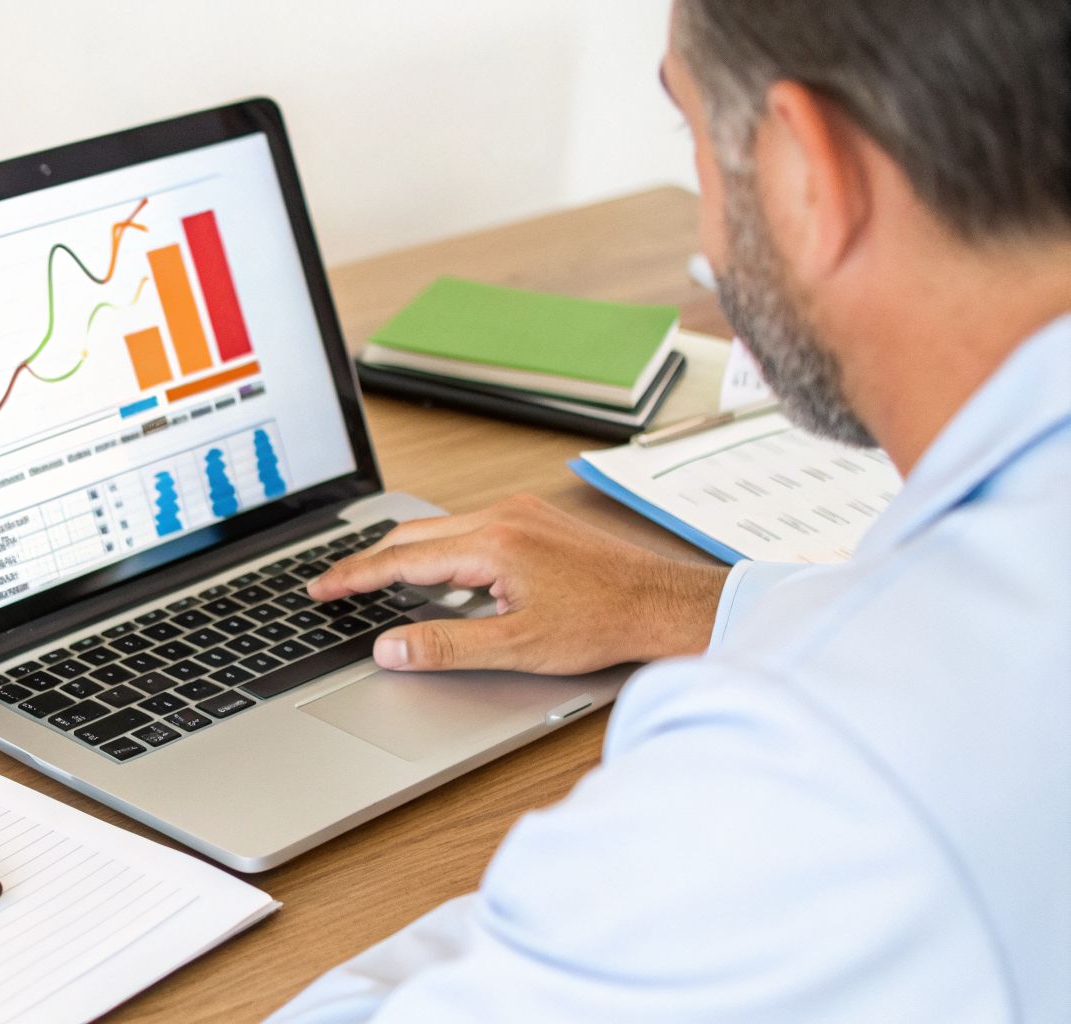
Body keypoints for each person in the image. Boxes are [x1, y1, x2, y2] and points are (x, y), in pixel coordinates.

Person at [270, 1, 1071, 1020]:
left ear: (803, 171)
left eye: (689, 134)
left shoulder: (817, 773)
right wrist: (689, 606)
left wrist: (589, 872)